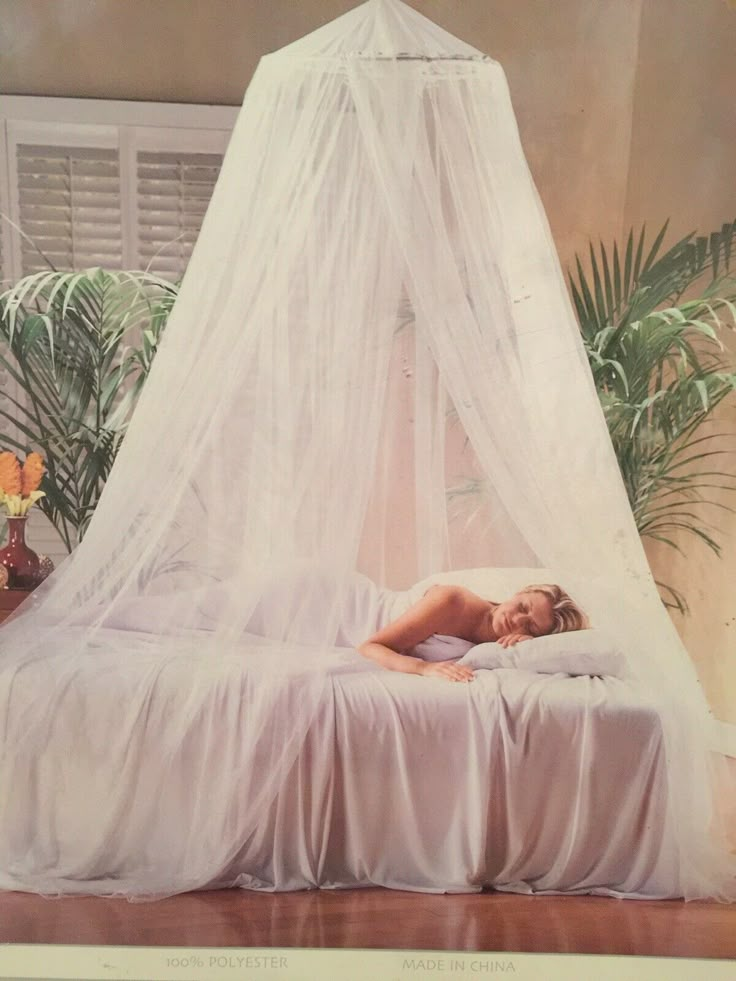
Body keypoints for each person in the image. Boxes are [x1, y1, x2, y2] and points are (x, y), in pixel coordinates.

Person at [358, 582, 589, 683]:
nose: (515, 620)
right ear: (519, 593)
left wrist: (528, 645)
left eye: (529, 626)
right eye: (522, 607)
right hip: (353, 610)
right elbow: (370, 647)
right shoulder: (452, 601)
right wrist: (424, 668)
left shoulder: (503, 648)